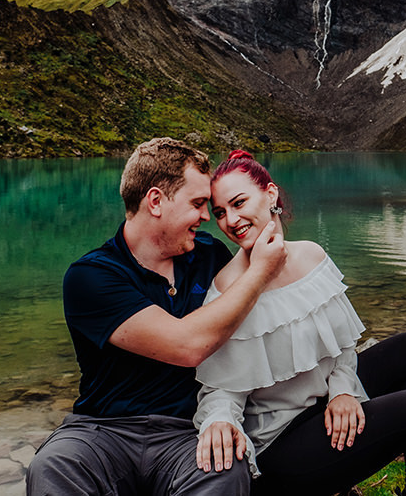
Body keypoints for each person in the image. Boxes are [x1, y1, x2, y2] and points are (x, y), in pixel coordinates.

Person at [193, 150, 406, 496]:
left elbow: (343, 347)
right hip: (281, 447)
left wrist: (343, 391)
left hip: (323, 409)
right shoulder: (227, 287)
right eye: (220, 213)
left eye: (239, 203)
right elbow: (220, 389)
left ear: (270, 195)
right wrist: (219, 421)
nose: (231, 220)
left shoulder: (312, 255)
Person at [26, 138, 287, 496]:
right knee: (54, 465)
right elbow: (186, 346)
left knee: (225, 467)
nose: (207, 217)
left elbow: (266, 316)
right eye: (197, 204)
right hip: (103, 430)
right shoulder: (91, 276)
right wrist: (260, 272)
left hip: (186, 429)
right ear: (156, 201)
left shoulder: (210, 256)